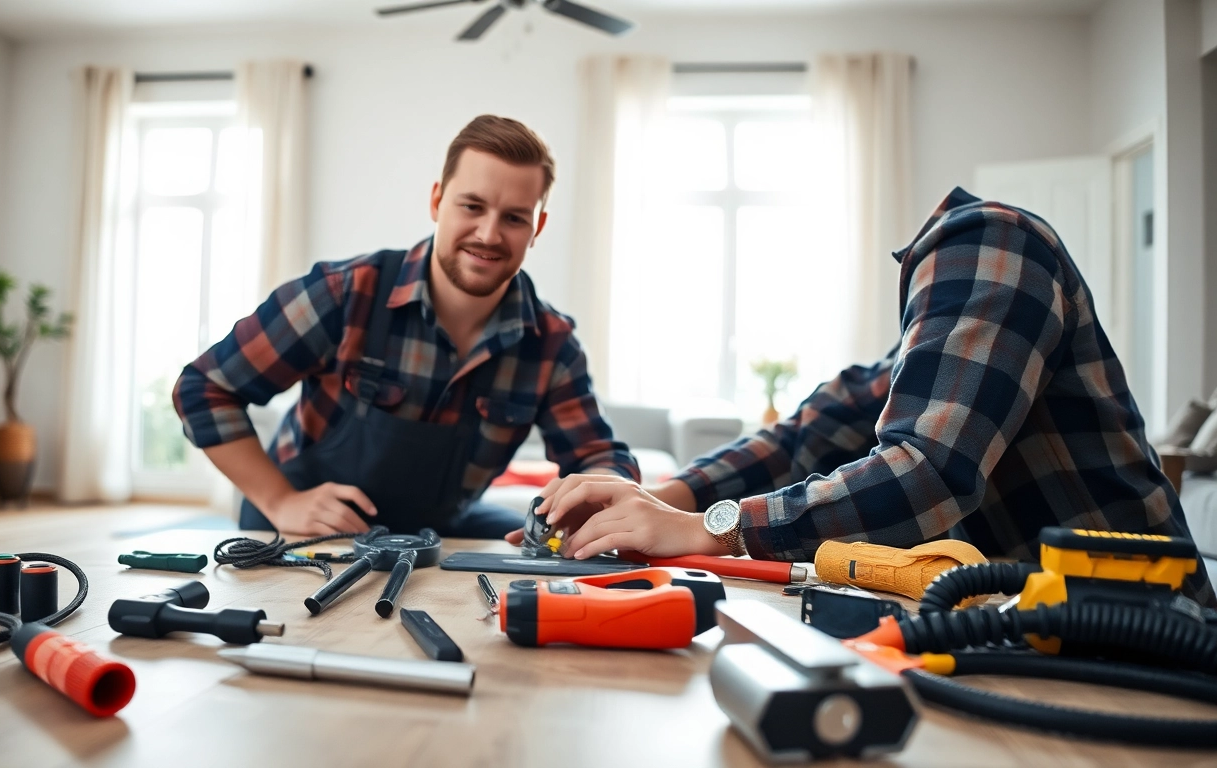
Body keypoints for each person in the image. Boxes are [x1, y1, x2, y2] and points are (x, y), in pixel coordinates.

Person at [523, 187, 1213, 604]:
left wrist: (711, 527)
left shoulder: (987, 240)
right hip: (1039, 630)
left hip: (1145, 639)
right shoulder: (942, 302)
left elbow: (929, 470)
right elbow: (811, 431)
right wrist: (657, 502)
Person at [174, 115, 637, 538]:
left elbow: (599, 458)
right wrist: (279, 501)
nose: (489, 234)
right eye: (472, 206)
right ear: (437, 200)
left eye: (515, 218)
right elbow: (203, 389)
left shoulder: (551, 344)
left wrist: (598, 495)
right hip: (306, 529)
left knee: (512, 546)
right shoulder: (345, 294)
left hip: (431, 532)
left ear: (538, 228)